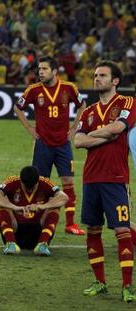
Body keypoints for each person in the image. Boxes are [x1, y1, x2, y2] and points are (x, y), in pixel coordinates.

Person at [74, 60, 136, 302]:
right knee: (93, 230)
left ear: (115, 80)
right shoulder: (88, 112)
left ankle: (128, 285)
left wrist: (95, 133)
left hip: (116, 179)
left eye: (102, 75)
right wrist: (106, 134)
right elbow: (78, 142)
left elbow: (119, 127)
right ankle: (99, 282)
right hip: (91, 179)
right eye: (96, 75)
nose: (96, 78)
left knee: (122, 230)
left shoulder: (127, 102)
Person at [14, 55, 86, 235]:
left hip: (62, 144)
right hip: (43, 144)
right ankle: (38, 221)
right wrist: (29, 127)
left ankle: (70, 224)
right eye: (39, 69)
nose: (41, 72)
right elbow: (17, 107)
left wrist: (74, 127)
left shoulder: (69, 88)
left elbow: (82, 105)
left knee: (68, 181)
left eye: (44, 69)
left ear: (54, 71)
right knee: (40, 183)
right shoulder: (33, 89)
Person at [0, 166, 68, 256]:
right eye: (26, 187)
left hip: (38, 232)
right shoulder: (13, 181)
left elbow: (64, 197)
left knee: (55, 205)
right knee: (2, 204)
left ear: (38, 181)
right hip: (16, 231)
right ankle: (10, 243)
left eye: (33, 187)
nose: (30, 190)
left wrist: (42, 207)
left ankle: (42, 244)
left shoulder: (44, 182)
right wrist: (14, 207)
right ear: (21, 181)